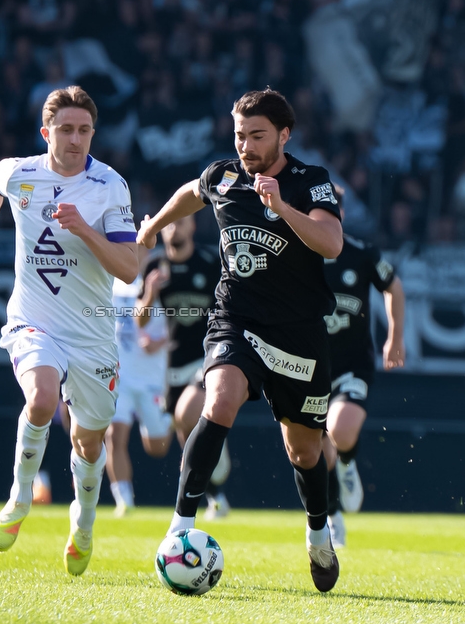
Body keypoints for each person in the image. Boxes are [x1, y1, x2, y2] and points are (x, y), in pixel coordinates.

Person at [137, 88, 344, 593]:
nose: (247, 146)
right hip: (237, 320)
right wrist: (154, 225)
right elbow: (192, 191)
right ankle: (180, 528)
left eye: (257, 136)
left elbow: (332, 244)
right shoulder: (224, 175)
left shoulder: (310, 182)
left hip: (298, 336)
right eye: (239, 136)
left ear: (284, 135)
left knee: (304, 452)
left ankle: (319, 534)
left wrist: (281, 208)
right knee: (221, 397)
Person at [0, 85, 138, 576]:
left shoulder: (109, 186)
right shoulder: (20, 173)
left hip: (92, 335)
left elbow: (128, 268)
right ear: (47, 133)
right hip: (34, 320)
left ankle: (82, 522)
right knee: (41, 398)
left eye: (84, 130)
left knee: (89, 443)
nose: (76, 139)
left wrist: (86, 229)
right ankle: (20, 499)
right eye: (66, 129)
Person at [322, 184, 406, 548]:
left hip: (353, 363)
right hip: (307, 368)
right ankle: (331, 515)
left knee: (339, 430)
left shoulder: (361, 252)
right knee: (313, 451)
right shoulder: (293, 256)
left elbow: (393, 287)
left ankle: (348, 463)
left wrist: (395, 337)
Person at [136, 215, 232, 520]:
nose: (173, 228)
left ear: (193, 226)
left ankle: (207, 486)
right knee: (177, 435)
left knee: (186, 415)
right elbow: (140, 319)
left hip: (208, 357)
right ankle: (215, 495)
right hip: (172, 366)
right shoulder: (154, 266)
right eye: (168, 224)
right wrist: (150, 293)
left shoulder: (208, 261)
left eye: (181, 222)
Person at [105, 271, 173, 516]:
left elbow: (183, 325)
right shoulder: (109, 283)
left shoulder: (160, 280)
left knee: (157, 447)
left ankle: (171, 419)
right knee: (114, 437)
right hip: (120, 376)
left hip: (151, 378)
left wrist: (162, 341)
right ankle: (123, 500)